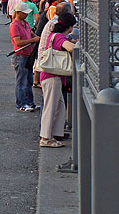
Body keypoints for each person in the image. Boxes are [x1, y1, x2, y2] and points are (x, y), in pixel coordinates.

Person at [38, 13, 76, 148]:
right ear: (70, 27)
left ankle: (53, 134)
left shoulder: (54, 35)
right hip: (52, 77)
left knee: (59, 106)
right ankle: (45, 138)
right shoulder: (59, 37)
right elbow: (71, 48)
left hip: (52, 76)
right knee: (51, 107)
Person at [9, 1, 40, 112]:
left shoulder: (25, 23)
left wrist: (36, 37)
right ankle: (21, 104)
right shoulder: (14, 25)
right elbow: (18, 42)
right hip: (20, 56)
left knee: (29, 81)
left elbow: (32, 33)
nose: (27, 15)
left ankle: (30, 103)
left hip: (28, 55)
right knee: (21, 82)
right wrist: (33, 40)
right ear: (18, 13)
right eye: (25, 13)